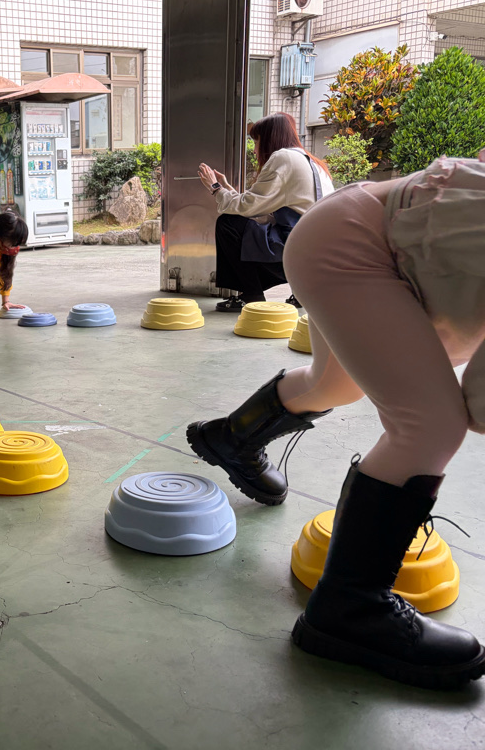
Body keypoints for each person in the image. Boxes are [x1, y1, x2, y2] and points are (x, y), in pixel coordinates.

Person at [186, 151, 485, 690]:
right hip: (355, 243)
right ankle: (351, 608)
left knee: (335, 385)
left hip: (351, 230)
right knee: (431, 423)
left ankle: (231, 438)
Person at [199, 112, 334, 312]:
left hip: (297, 251)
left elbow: (248, 208)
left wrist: (216, 189)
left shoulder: (283, 158)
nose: (255, 150)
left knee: (228, 224)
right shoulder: (311, 161)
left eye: (256, 142)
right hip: (320, 252)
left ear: (270, 139)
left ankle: (251, 295)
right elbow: (260, 210)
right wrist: (227, 188)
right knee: (248, 227)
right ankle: (301, 293)